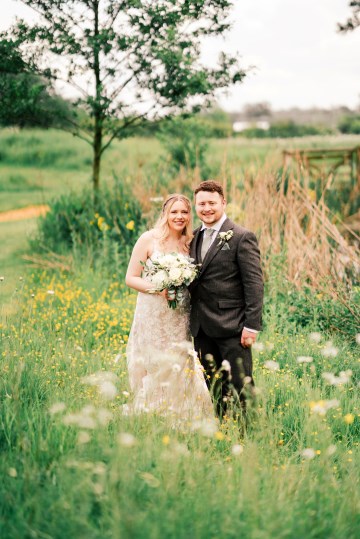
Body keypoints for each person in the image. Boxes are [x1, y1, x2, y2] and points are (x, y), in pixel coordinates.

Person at [125, 194, 213, 419]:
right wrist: (158, 289)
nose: (179, 216)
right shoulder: (149, 239)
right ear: (165, 214)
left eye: (184, 212)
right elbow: (131, 278)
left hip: (179, 315)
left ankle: (182, 412)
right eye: (174, 212)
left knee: (178, 359)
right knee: (153, 360)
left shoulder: (191, 242)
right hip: (152, 312)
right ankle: (150, 413)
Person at [189, 180, 264, 417]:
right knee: (214, 386)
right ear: (196, 206)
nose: (207, 208)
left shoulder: (242, 237)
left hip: (233, 326)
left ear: (223, 203)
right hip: (201, 327)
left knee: (242, 386)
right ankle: (223, 430)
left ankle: (252, 435)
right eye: (201, 204)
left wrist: (251, 326)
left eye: (212, 203)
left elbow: (254, 284)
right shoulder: (192, 237)